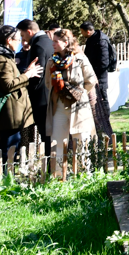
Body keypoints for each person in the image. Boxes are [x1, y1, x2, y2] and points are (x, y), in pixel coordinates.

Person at [44, 29, 99, 178]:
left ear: (66, 42)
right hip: (59, 106)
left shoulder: (80, 59)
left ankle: (84, 173)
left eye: (56, 41)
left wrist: (78, 94)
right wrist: (61, 92)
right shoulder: (51, 61)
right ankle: (58, 175)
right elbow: (48, 83)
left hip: (78, 107)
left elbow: (91, 80)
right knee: (57, 140)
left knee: (81, 138)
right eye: (53, 41)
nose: (53, 44)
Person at [0, 26, 40, 161]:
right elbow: (8, 85)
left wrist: (25, 72)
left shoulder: (4, 55)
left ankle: (8, 175)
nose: (19, 42)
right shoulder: (0, 59)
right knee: (9, 145)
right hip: (10, 111)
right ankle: (5, 176)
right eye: (17, 39)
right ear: (9, 40)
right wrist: (28, 75)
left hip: (13, 109)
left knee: (13, 143)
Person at [16, 19, 54, 155]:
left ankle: (50, 164)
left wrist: (29, 88)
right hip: (49, 91)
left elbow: (37, 73)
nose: (23, 38)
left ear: (29, 31)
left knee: (45, 133)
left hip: (40, 96)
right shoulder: (48, 42)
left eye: (22, 35)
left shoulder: (38, 45)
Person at [80, 22, 116, 137]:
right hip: (93, 76)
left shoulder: (101, 41)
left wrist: (93, 74)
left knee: (102, 101)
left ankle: (106, 128)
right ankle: (99, 128)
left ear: (88, 31)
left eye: (82, 32)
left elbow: (103, 62)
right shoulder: (92, 39)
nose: (81, 34)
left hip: (99, 78)